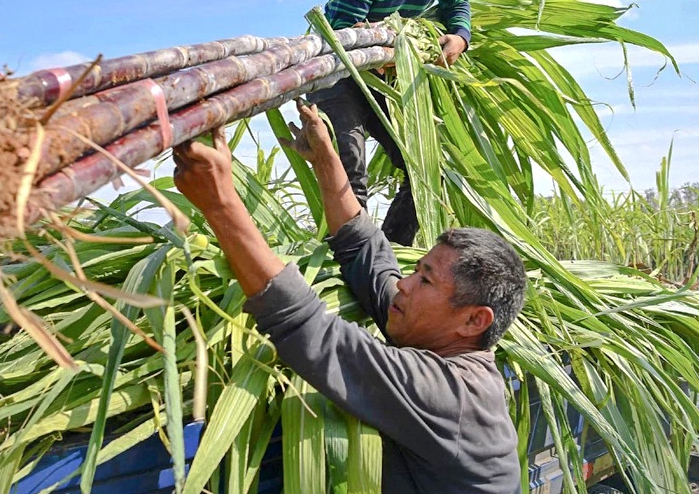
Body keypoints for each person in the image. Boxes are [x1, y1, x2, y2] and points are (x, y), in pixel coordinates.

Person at [172, 100, 527, 493]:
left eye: (425, 281)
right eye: (416, 270)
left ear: (474, 320)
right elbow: (368, 257)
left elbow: (312, 333)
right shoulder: (442, 343)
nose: (405, 284)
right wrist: (325, 157)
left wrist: (221, 203)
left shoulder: (451, 395)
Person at [308, 0, 472, 246]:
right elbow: (347, 35)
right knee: (350, 177)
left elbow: (457, 4)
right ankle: (351, 271)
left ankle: (391, 256)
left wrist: (459, 37)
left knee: (425, 170)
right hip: (339, 75)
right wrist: (385, 50)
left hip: (390, 78)